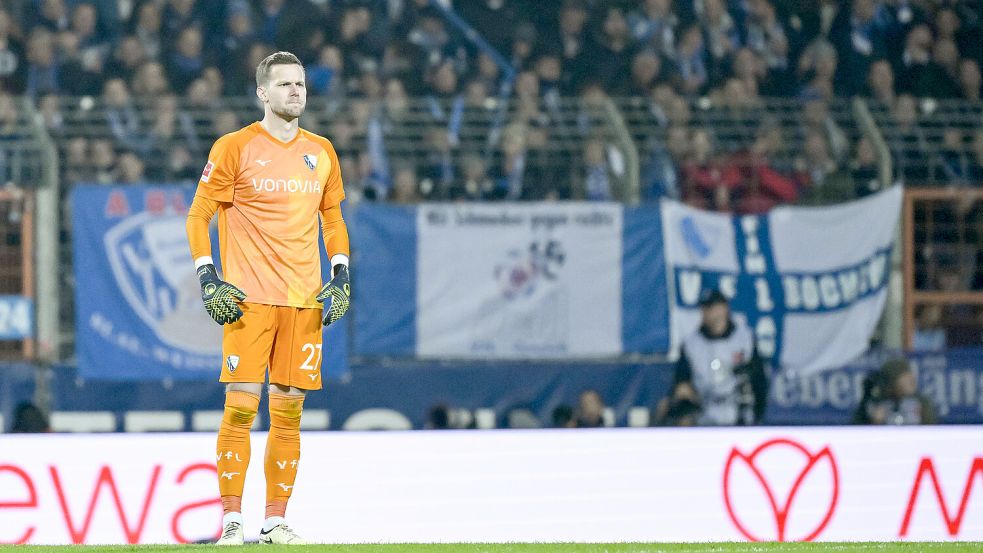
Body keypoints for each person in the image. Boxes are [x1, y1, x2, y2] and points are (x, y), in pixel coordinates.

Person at [184, 51, 351, 546]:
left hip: (304, 301)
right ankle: (232, 520)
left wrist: (340, 273)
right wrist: (208, 276)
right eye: (284, 85)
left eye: (300, 84)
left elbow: (333, 219)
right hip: (249, 300)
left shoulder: (321, 151)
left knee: (290, 411)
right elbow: (198, 215)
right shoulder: (235, 147)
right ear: (262, 93)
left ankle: (275, 520)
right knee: (239, 407)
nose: (295, 91)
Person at [668, 288, 767, 425]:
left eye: (715, 307)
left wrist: (758, 415)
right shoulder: (691, 344)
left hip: (739, 414)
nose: (711, 313)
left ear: (725, 308)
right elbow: (682, 382)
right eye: (707, 308)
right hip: (704, 414)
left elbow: (759, 379)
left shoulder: (744, 339)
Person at [853, 359, 937, 425]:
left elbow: (932, 431)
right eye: (904, 376)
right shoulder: (875, 403)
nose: (912, 379)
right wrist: (874, 423)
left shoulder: (921, 402)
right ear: (892, 382)